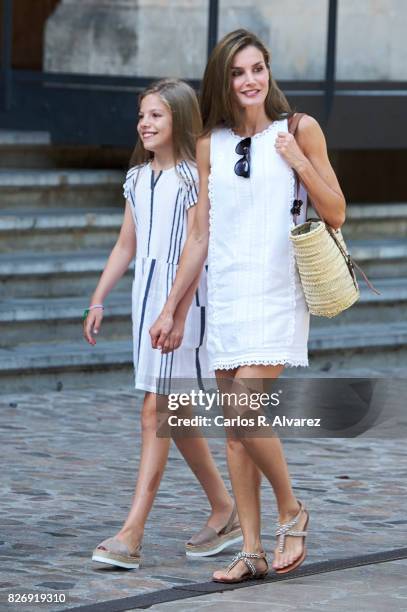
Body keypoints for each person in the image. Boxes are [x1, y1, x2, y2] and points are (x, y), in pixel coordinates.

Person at [150, 31, 346, 583]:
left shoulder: (299, 129)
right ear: (224, 82)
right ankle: (253, 549)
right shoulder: (209, 144)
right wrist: (174, 309)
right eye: (238, 73)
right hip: (229, 292)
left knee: (245, 408)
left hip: (278, 290)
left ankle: (292, 509)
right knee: (235, 430)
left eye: (257, 68)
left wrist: (298, 163)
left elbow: (336, 211)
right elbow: (198, 236)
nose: (250, 81)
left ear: (268, 72)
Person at [83, 79, 242, 569]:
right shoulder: (135, 178)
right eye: (141, 116)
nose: (145, 124)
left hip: (184, 302)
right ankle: (225, 509)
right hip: (145, 300)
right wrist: (98, 298)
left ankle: (132, 534)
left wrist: (174, 310)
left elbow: (201, 248)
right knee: (174, 413)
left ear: (178, 118)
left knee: (156, 410)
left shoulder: (198, 177)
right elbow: (126, 245)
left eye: (156, 115)